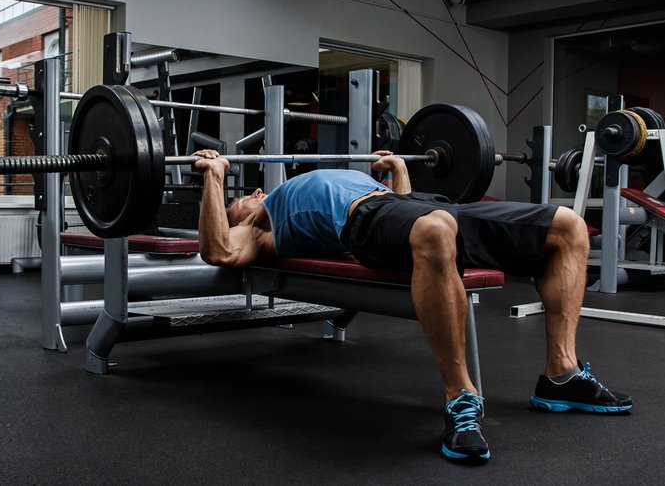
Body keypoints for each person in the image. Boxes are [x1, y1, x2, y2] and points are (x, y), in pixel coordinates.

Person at [192, 148, 632, 462]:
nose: (247, 194)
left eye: (243, 193)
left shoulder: (280, 195)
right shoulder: (258, 228)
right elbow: (218, 251)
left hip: (412, 205)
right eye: (236, 201)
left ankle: (561, 374)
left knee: (569, 227)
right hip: (362, 222)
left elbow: (402, 216)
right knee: (436, 231)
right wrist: (213, 178)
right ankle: (461, 398)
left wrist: (398, 170)